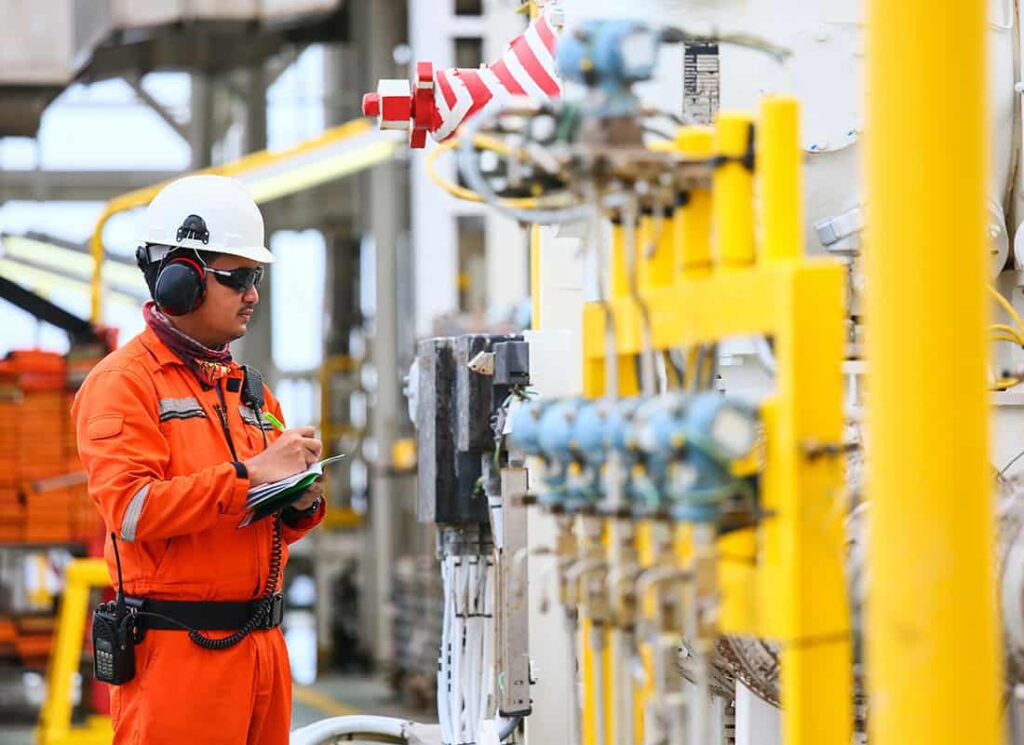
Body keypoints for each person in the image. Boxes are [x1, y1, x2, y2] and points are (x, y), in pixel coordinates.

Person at [72, 174, 326, 744]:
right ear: (178, 282)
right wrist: (253, 475)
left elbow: (256, 522)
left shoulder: (250, 391)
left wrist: (300, 499)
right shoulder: (122, 385)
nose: (253, 294)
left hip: (262, 654)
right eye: (237, 278)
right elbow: (132, 510)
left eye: (254, 278)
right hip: (179, 660)